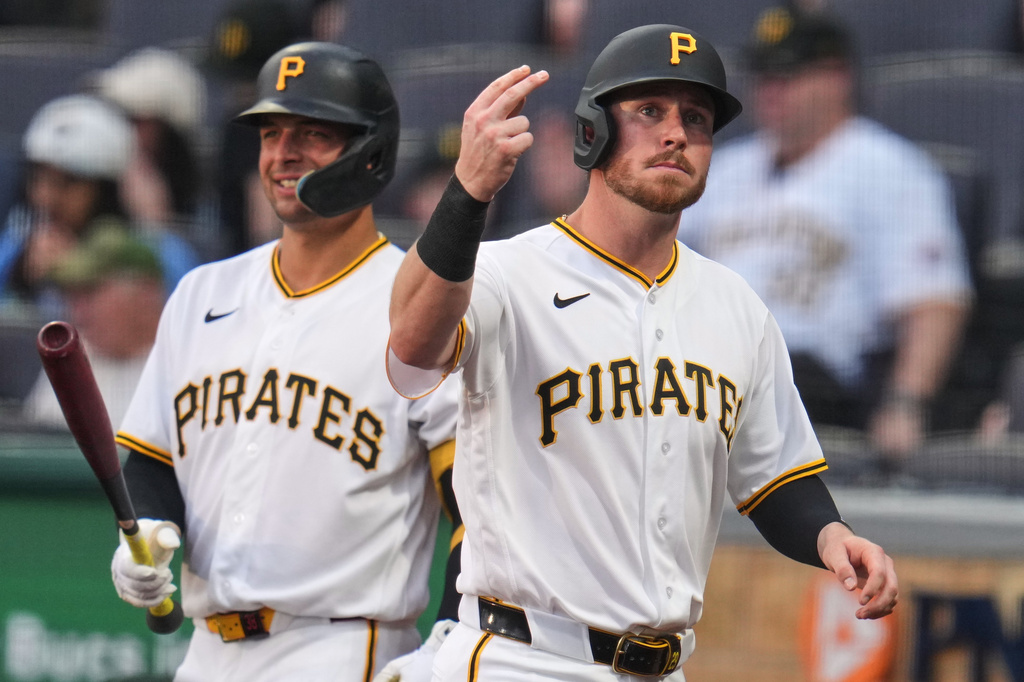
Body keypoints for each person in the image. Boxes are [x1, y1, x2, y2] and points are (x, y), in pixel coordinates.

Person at [386, 24, 899, 679]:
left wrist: (834, 537)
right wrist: (468, 193)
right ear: (593, 132)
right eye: (650, 111)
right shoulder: (507, 274)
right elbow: (413, 345)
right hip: (522, 657)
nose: (676, 133)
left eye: (696, 118)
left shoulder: (736, 305)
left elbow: (776, 475)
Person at [108, 42, 461, 681]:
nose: (283, 153)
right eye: (271, 133)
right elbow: (154, 461)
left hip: (341, 647)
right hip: (206, 652)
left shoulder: (420, 305)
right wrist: (147, 536)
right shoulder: (203, 293)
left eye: (313, 134)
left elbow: (477, 511)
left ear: (371, 152)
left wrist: (449, 639)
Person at [677, 7, 973, 462]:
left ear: (837, 78)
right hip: (706, 371)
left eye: (787, 77)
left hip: (813, 386)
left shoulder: (889, 167)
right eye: (764, 77)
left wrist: (905, 404)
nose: (771, 91)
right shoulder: (725, 167)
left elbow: (934, 301)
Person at [0, 94, 201, 314]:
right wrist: (21, 278)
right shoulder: (16, 247)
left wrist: (79, 274)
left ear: (105, 190)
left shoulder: (163, 255)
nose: (45, 196)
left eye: (67, 182)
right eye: (39, 179)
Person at [22, 223, 166, 429]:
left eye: (90, 293)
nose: (77, 313)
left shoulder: (183, 364)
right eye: (72, 297)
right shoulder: (70, 359)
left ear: (145, 293)